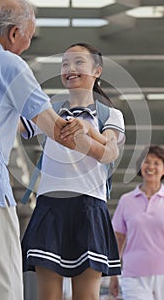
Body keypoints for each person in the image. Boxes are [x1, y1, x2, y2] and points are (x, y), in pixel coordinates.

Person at [0, 0, 87, 300]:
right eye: (28, 37)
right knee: (0, 288)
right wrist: (85, 130)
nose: (27, 45)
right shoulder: (9, 63)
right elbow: (57, 130)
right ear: (14, 34)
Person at [21, 42, 126, 300]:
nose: (70, 68)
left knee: (86, 297)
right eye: (65, 63)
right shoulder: (46, 110)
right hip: (50, 206)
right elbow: (16, 124)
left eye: (79, 62)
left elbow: (110, 153)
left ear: (97, 70)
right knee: (48, 297)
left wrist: (89, 132)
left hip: (89, 208)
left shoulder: (110, 114)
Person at [110, 145, 164, 300]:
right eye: (146, 162)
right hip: (133, 274)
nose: (150, 166)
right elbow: (119, 238)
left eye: (156, 163)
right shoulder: (126, 200)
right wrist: (113, 273)